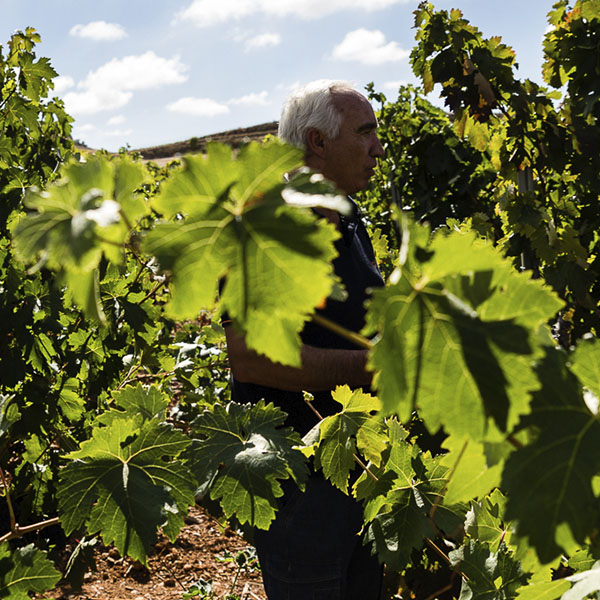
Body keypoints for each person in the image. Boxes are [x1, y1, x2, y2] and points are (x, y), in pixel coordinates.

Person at [224, 80, 386, 600]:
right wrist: (371, 366)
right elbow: (252, 359)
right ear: (317, 142)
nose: (377, 148)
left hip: (357, 466)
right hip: (302, 487)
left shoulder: (347, 218)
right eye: (365, 133)